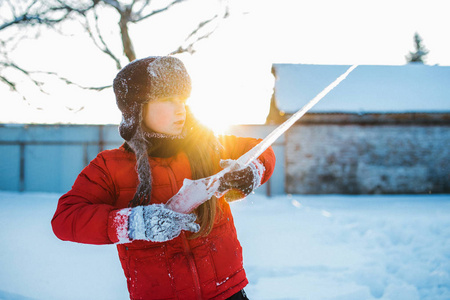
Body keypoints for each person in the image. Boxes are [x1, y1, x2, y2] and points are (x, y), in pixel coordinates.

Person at [51, 56, 275, 300]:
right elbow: (65, 219)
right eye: (168, 100)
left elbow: (262, 150)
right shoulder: (110, 166)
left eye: (183, 100)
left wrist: (253, 170)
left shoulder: (211, 147)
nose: (180, 109)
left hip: (227, 292)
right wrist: (133, 223)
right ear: (137, 109)